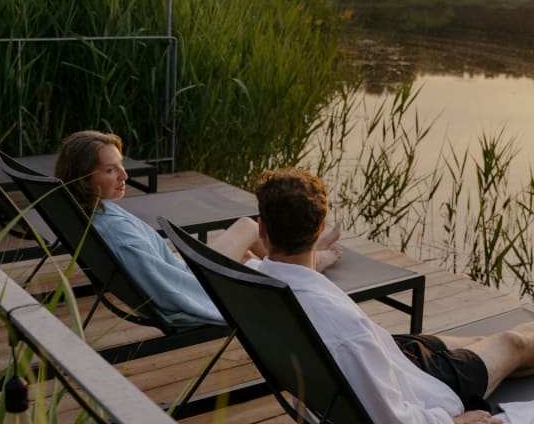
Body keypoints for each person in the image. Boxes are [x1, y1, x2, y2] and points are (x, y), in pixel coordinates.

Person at [246, 167, 534, 424]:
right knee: (512, 345)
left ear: (262, 230)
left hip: (398, 357)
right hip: (419, 383)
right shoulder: (344, 334)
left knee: (481, 342)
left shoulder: (259, 285)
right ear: (319, 229)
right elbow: (392, 418)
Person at [53, 131, 342, 329]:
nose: (124, 175)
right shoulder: (120, 236)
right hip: (198, 286)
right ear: (83, 179)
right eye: (110, 170)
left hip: (187, 272)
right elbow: (171, 292)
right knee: (249, 228)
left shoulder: (92, 214)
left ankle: (308, 254)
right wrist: (222, 287)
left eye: (121, 166)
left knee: (247, 241)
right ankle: (311, 260)